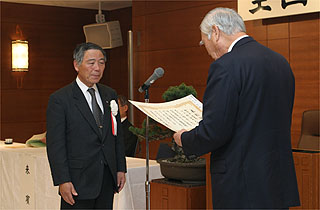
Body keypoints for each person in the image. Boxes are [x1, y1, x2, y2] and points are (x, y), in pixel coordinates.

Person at [173, 8, 300, 209]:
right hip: (276, 182)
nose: (205, 48)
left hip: (241, 184)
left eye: (202, 41)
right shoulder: (280, 62)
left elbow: (215, 131)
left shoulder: (225, 66)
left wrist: (185, 139)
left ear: (215, 32)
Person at [46, 42, 126, 209]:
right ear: (76, 65)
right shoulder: (61, 99)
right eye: (91, 63)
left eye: (102, 62)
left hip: (106, 178)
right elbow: (56, 145)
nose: (97, 68)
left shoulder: (109, 94)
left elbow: (116, 135)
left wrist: (120, 168)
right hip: (77, 181)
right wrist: (63, 180)